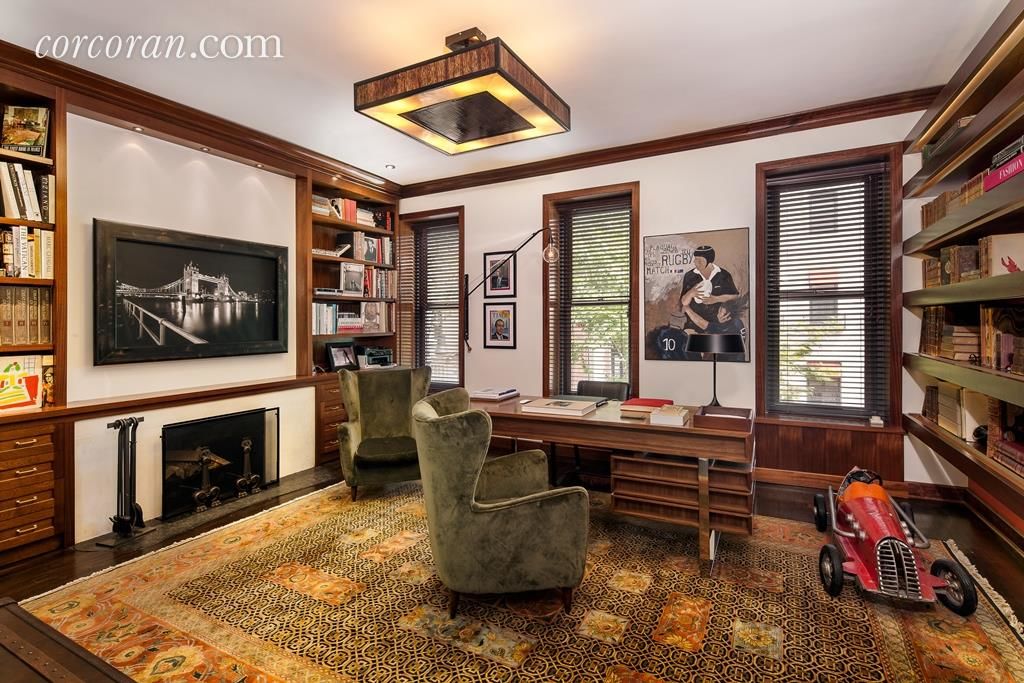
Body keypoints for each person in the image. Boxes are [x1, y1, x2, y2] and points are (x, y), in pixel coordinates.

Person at [678, 245, 740, 334]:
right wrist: (691, 293)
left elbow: (735, 297)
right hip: (693, 323)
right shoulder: (690, 276)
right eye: (695, 259)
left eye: (700, 261)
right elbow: (683, 302)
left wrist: (716, 299)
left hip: (717, 325)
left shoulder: (723, 275)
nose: (696, 263)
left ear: (709, 261)